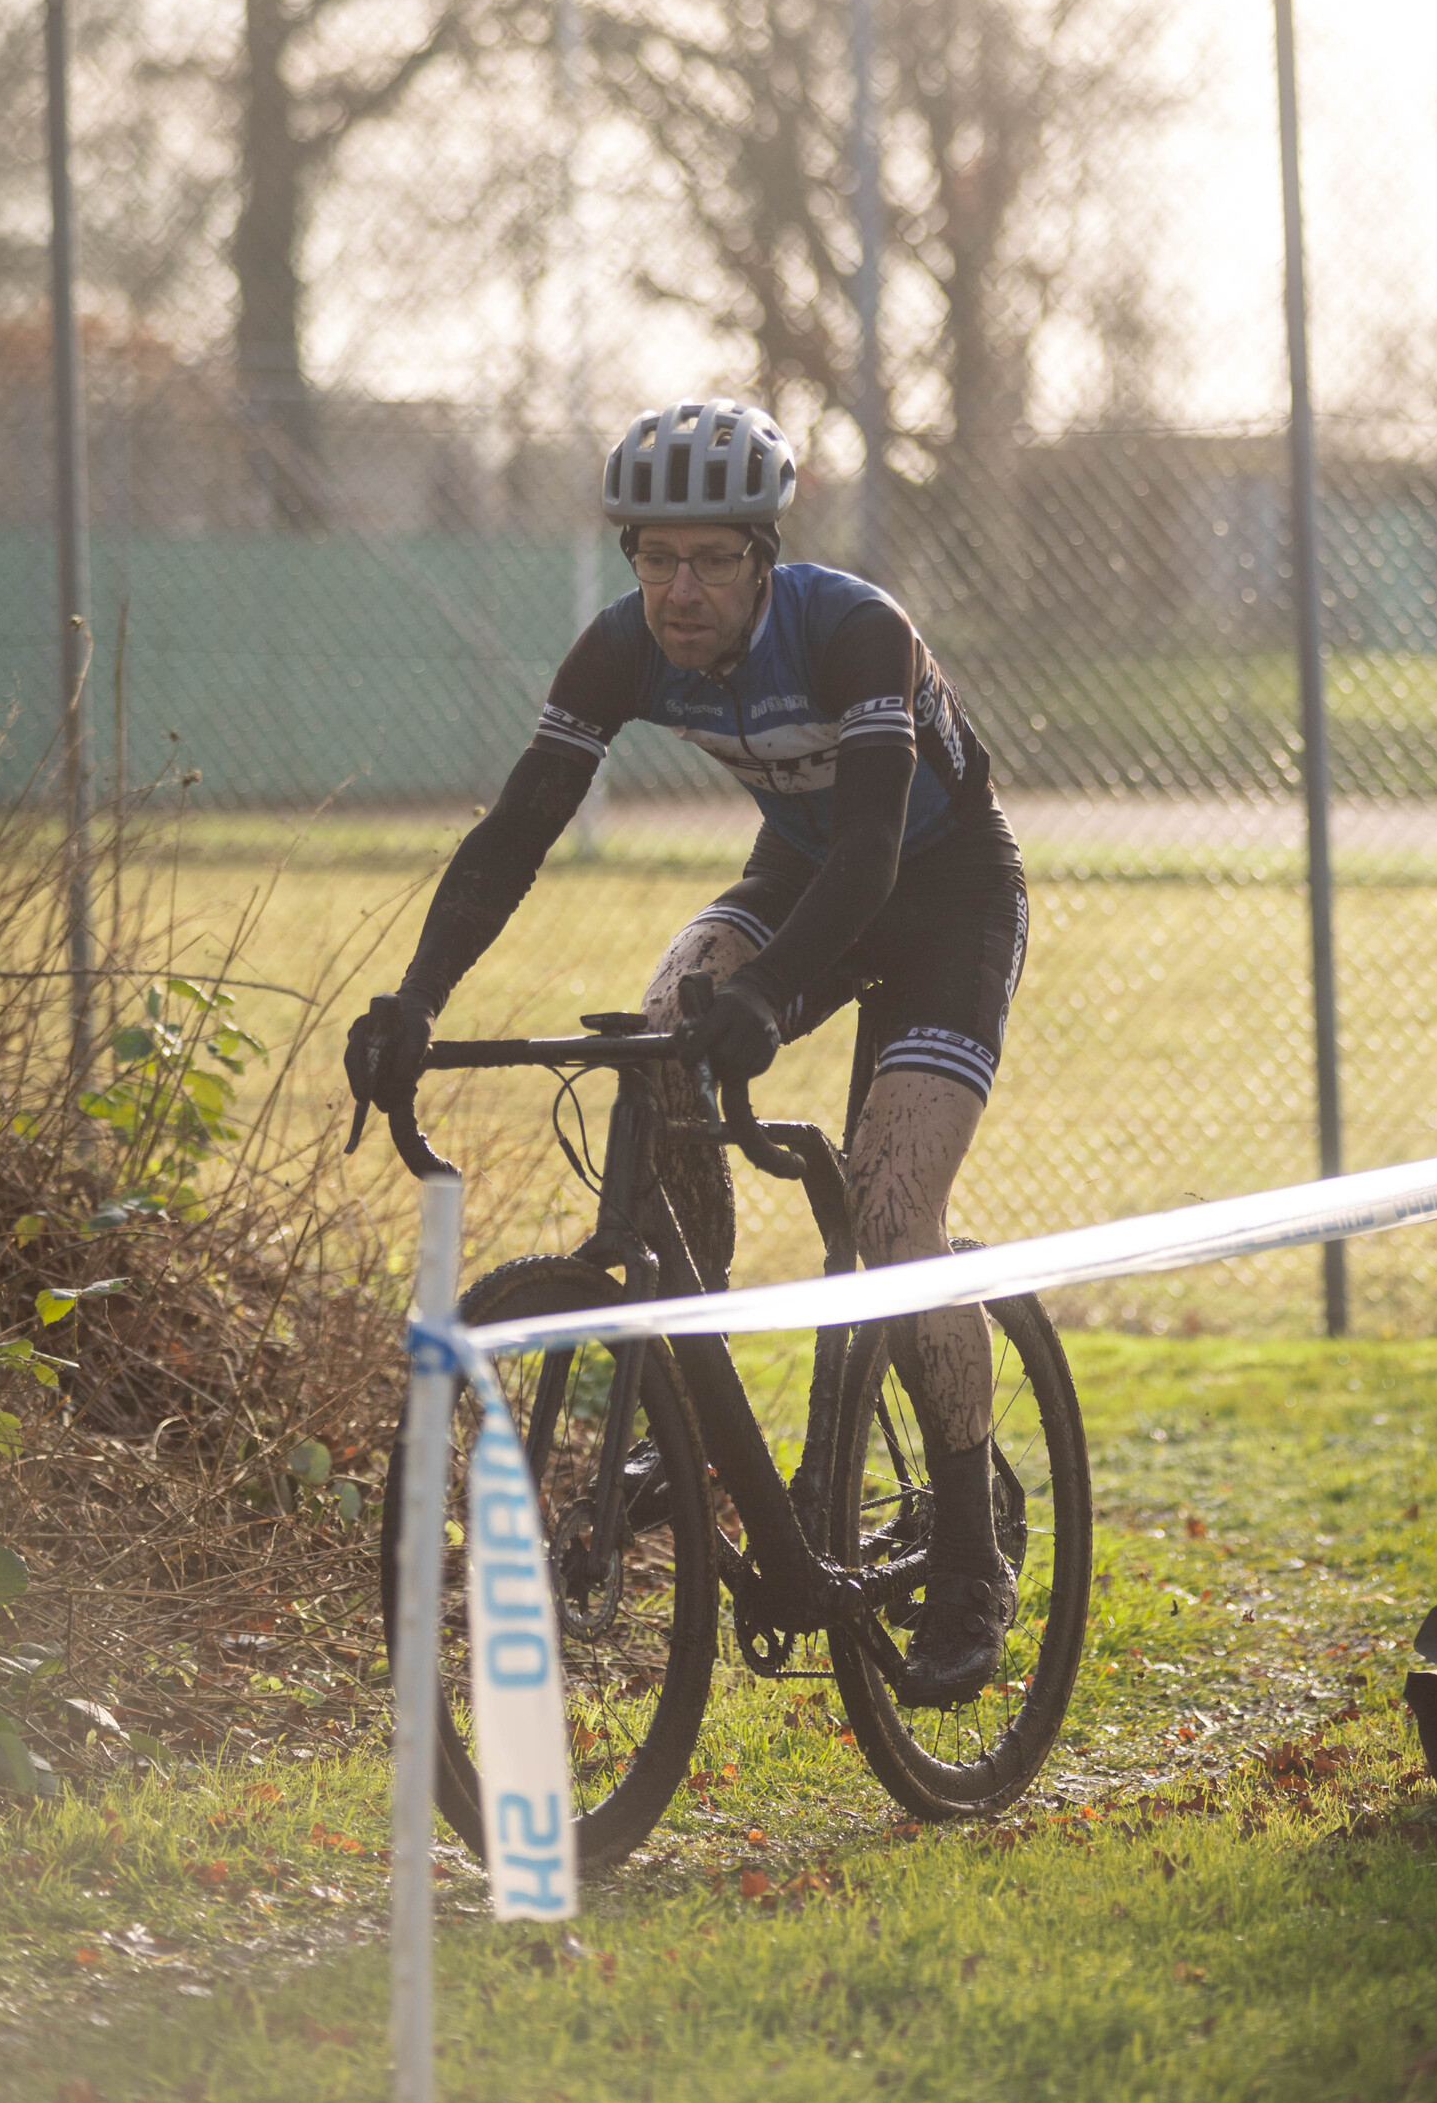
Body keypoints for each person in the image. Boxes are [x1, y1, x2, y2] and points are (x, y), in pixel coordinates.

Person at [345, 395, 1028, 1707]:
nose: (683, 590)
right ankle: (698, 1384)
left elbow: (881, 846)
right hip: (806, 870)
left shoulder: (855, 630)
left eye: (714, 560)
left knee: (895, 1211)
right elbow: (516, 832)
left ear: (766, 557)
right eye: (658, 560)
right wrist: (416, 998)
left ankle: (966, 1533)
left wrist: (775, 994)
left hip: (943, 897)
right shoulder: (621, 653)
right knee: (662, 1030)